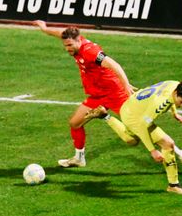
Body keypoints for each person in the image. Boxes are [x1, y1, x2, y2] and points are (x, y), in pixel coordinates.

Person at [33, 20, 135, 168]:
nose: (67, 49)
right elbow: (58, 33)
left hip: (114, 93)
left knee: (137, 127)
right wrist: (44, 28)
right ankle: (79, 158)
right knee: (75, 123)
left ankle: (168, 149)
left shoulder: (90, 52)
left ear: (78, 40)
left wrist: (126, 85)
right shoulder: (72, 40)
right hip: (98, 96)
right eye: (65, 45)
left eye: (69, 45)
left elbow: (114, 64)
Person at [87, 80, 182, 196]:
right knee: (167, 144)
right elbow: (143, 125)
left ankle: (104, 115)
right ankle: (173, 186)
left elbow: (170, 99)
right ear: (176, 93)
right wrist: (152, 151)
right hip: (133, 116)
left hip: (132, 106)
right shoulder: (160, 103)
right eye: (181, 102)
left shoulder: (175, 84)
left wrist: (175, 113)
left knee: (132, 140)